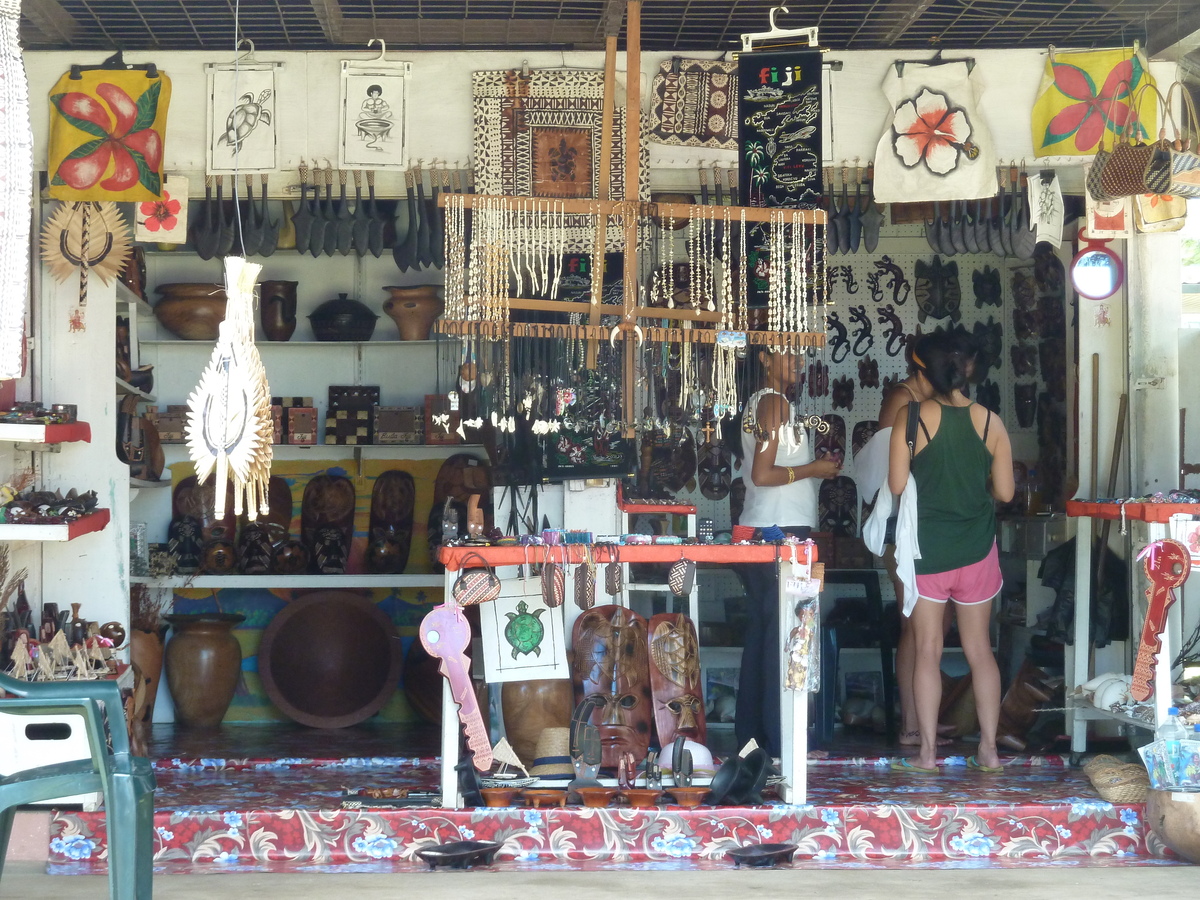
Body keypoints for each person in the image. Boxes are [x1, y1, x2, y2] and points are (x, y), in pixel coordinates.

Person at [888, 330, 1014, 773]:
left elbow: (898, 486)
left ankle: (926, 754)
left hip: (927, 553)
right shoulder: (989, 421)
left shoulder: (911, 417)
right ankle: (989, 751)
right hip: (977, 549)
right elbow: (1005, 491)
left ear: (925, 370)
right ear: (966, 370)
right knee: (980, 650)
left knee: (928, 651)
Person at [734, 348, 841, 756]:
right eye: (787, 355)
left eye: (799, 355)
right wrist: (813, 469)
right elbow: (763, 475)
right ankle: (781, 740)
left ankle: (758, 739)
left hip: (770, 527)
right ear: (764, 358)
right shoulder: (773, 403)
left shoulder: (769, 403)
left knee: (767, 632)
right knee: (783, 635)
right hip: (777, 532)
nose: (797, 361)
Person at [876, 337, 954, 749]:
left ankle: (923, 719)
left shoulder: (935, 406)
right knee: (913, 623)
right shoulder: (901, 399)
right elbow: (882, 464)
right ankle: (910, 724)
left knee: (935, 626)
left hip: (929, 526)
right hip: (900, 522)